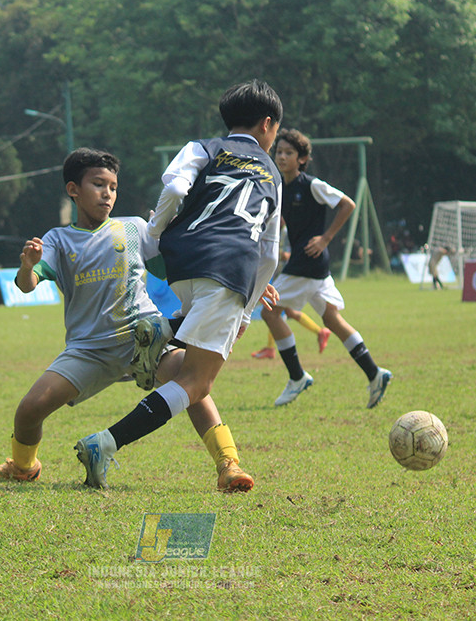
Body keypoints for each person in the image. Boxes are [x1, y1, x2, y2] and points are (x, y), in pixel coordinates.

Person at [0, 148, 245, 491]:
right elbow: (26, 286)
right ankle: (23, 466)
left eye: (113, 187)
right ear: (73, 189)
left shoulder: (134, 229)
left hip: (144, 339)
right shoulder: (58, 240)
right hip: (89, 349)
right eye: (98, 184)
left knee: (190, 380)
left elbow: (172, 270)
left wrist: (224, 273)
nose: (107, 194)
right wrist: (28, 266)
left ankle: (228, 465)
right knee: (29, 411)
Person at [74, 79, 284, 491]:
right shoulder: (273, 174)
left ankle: (166, 328)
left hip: (181, 259)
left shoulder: (204, 146)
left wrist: (156, 230)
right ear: (267, 124)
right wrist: (246, 309)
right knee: (196, 382)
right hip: (231, 268)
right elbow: (271, 254)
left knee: (196, 336)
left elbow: (174, 187)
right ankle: (106, 443)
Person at [260, 128, 391, 409]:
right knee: (331, 320)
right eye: (279, 152)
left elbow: (347, 204)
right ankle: (374, 373)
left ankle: (297, 376)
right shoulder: (282, 187)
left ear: (302, 159)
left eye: (289, 153)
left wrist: (326, 238)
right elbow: (287, 221)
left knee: (269, 311)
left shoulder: (312, 185)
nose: (282, 157)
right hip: (309, 263)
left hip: (308, 261)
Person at [252, 238, 330, 359]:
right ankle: (320, 332)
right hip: (281, 276)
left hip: (290, 277)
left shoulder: (287, 232)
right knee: (286, 312)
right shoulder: (277, 229)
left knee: (273, 311)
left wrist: (281, 255)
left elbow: (294, 253)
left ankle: (271, 348)